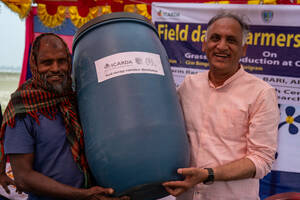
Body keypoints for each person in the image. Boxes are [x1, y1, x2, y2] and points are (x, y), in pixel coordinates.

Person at [163, 12, 280, 200]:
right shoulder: (188, 85)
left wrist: (209, 174)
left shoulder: (261, 93)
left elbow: (262, 160)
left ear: (243, 50)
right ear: (204, 44)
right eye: (215, 38)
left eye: (231, 40)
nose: (222, 46)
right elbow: (168, 133)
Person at [0, 33, 129, 200]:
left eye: (61, 61)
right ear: (34, 65)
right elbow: (24, 178)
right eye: (47, 63)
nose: (55, 68)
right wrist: (83, 195)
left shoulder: (80, 98)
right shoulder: (22, 110)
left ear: (69, 63)